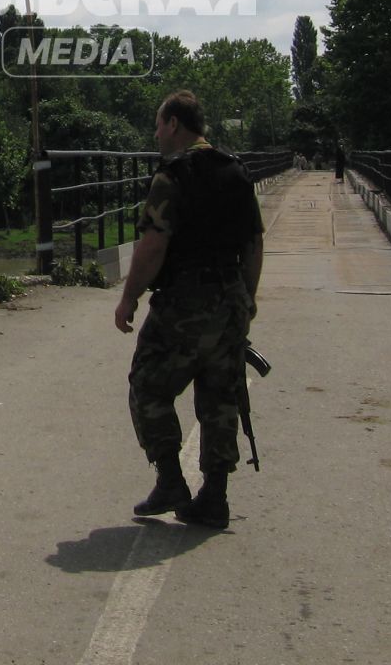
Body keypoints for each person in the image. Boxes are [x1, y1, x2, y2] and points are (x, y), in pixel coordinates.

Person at [113, 90, 264, 530]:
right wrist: (246, 300)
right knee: (221, 397)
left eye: (159, 124)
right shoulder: (236, 172)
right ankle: (214, 496)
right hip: (230, 298)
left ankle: (171, 479)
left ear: (175, 124)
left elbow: (153, 243)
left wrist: (129, 298)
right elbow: (254, 243)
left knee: (147, 385)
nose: (156, 133)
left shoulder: (172, 176)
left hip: (184, 302)